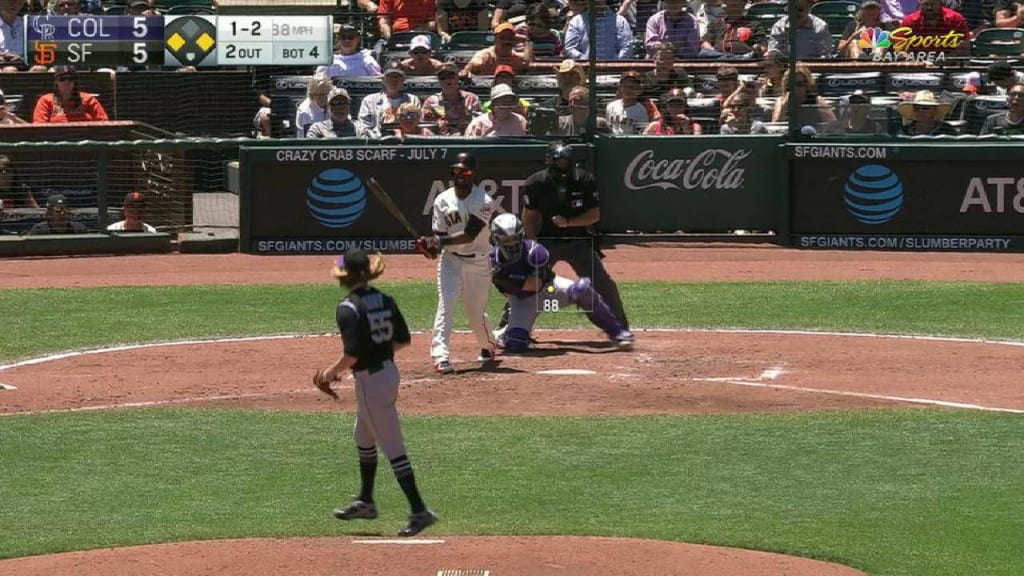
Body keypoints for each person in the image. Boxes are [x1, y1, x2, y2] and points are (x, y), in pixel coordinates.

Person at [313, 249, 438, 538]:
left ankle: (419, 511)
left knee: (392, 446)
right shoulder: (384, 298)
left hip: (372, 383)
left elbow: (353, 353)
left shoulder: (348, 307)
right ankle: (366, 501)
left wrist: (329, 374)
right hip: (389, 375)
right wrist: (375, 355)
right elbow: (402, 340)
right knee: (363, 437)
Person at [497, 143, 631, 340]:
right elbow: (529, 215)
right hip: (546, 243)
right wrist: (530, 242)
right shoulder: (536, 183)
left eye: (566, 160)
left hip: (578, 240)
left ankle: (619, 328)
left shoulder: (584, 179)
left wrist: (569, 222)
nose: (562, 164)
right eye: (558, 160)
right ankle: (507, 328)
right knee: (528, 282)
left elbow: (594, 215)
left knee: (602, 283)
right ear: (550, 161)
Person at [489, 213, 633, 353]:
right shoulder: (492, 260)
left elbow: (535, 285)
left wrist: (505, 277)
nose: (512, 244)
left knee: (582, 290)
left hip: (549, 292)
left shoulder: (535, 251)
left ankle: (617, 332)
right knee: (516, 344)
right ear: (497, 240)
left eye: (515, 238)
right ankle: (507, 332)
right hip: (522, 302)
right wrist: (502, 279)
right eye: (506, 240)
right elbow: (504, 291)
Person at [417, 153, 497, 374]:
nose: (460, 176)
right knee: (446, 304)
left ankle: (488, 345)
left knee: (475, 312)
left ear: (474, 174)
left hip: (479, 262)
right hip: (451, 260)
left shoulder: (484, 201)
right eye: (456, 172)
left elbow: (469, 235)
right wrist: (429, 248)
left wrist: (438, 241)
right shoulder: (442, 200)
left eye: (466, 172)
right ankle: (440, 355)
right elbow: (439, 239)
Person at [358, 64, 421, 137]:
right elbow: (364, 125)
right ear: (383, 80)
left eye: (397, 77)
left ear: (403, 80)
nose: (394, 80)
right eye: (390, 77)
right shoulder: (369, 100)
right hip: (378, 140)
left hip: (405, 139)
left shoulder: (413, 100)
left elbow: (416, 122)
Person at [421, 62, 482, 135]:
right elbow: (426, 125)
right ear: (439, 81)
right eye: (443, 78)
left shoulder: (471, 98)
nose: (447, 80)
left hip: (467, 137)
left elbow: (479, 121)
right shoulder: (431, 101)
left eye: (451, 76)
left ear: (457, 77)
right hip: (440, 139)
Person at [33, 66, 109, 123]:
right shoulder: (45, 101)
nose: (66, 82)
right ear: (56, 82)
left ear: (74, 81)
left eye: (70, 79)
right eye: (62, 79)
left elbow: (103, 121)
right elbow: (40, 126)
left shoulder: (88, 99)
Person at [563, 0, 634, 60]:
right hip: (586, 72)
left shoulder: (620, 21)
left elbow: (627, 48)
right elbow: (569, 48)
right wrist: (586, 60)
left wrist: (612, 63)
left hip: (614, 73)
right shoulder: (576, 21)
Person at [461, 22, 533, 78]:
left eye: (510, 38)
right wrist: (466, 71)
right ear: (495, 39)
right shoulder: (485, 55)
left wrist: (526, 40)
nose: (506, 41)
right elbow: (473, 65)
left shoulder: (518, 58)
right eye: (503, 38)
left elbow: (529, 64)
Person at [899, 0, 970, 56]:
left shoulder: (955, 19)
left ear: (940, 3)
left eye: (933, 4)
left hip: (948, 67)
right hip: (918, 67)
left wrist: (945, 60)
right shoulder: (909, 21)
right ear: (920, 3)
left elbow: (964, 47)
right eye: (926, 4)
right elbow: (900, 48)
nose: (929, 8)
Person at [766, 0, 833, 59]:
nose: (796, 13)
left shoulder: (821, 27)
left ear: (808, 8)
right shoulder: (779, 27)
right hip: (785, 69)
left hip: (813, 69)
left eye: (800, 9)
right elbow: (773, 54)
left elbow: (826, 56)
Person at [315, 23, 383, 79]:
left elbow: (378, 81)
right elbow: (318, 82)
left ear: (358, 39)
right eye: (344, 37)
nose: (347, 40)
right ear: (338, 38)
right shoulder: (328, 60)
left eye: (351, 37)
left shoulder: (367, 60)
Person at [606, 71, 660, 135]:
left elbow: (642, 132)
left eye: (632, 87)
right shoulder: (611, 106)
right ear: (620, 87)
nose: (628, 90)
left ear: (638, 89)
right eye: (625, 86)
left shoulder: (641, 109)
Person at [307, 88, 373, 138]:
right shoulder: (318, 129)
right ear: (328, 107)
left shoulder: (360, 129)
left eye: (343, 103)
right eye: (334, 104)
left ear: (349, 105)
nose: (339, 108)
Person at [295, 74, 332, 138]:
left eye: (325, 94)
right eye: (318, 94)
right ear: (311, 95)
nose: (322, 98)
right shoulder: (305, 111)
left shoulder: (336, 101)